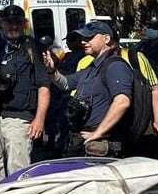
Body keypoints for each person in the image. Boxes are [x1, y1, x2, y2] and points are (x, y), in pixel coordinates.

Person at [0, 5, 51, 187]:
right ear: (1, 23)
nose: (13, 27)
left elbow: (44, 86)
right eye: (9, 22)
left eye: (17, 23)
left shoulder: (33, 46)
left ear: (24, 24)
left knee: (18, 169)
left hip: (19, 116)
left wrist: (40, 119)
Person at [43, 21, 136, 158]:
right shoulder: (92, 66)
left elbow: (122, 102)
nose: (83, 42)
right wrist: (52, 71)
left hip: (102, 146)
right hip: (84, 142)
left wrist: (98, 133)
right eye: (83, 38)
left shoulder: (115, 66)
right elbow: (66, 84)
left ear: (107, 39)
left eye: (89, 38)